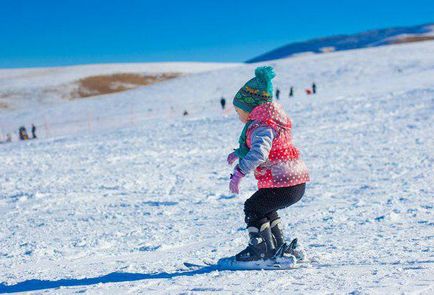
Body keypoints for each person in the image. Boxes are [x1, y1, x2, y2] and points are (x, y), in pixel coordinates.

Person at [227, 66, 310, 262]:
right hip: (294, 182)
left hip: (284, 183)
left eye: (239, 110)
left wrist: (239, 172)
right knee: (265, 207)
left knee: (253, 207)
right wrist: (238, 153)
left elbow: (259, 153)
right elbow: (268, 146)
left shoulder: (261, 125)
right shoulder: (273, 121)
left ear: (251, 108)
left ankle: (261, 251)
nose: (238, 115)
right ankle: (278, 247)